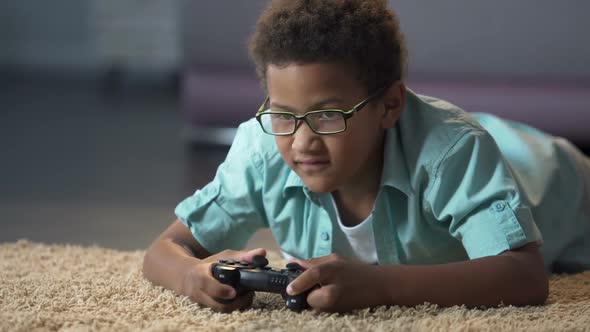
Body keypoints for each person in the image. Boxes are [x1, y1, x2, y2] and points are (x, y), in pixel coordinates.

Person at [143, 0, 590, 313]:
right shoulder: (261, 150)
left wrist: (378, 285)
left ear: (390, 105)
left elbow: (525, 277)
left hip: (549, 174)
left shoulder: (453, 150)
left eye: (328, 115)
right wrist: (191, 276)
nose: (302, 142)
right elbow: (164, 250)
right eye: (284, 116)